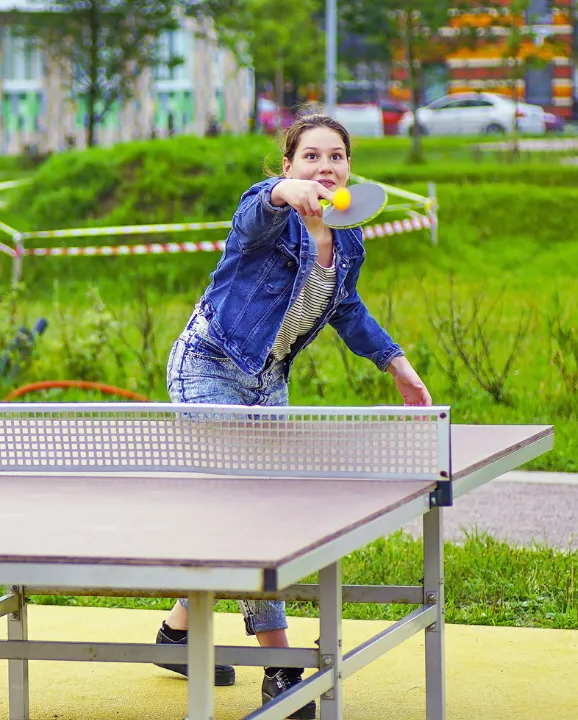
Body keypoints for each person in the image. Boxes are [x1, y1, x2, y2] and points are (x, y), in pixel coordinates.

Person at [152, 112, 432, 718]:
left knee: (240, 517)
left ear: (350, 168)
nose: (324, 167)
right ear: (288, 164)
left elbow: (346, 308)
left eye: (336, 156)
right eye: (310, 157)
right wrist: (285, 194)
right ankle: (280, 665)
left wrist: (396, 363)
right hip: (207, 366)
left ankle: (176, 635)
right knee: (250, 514)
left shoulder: (348, 236)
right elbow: (253, 208)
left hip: (268, 382)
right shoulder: (268, 217)